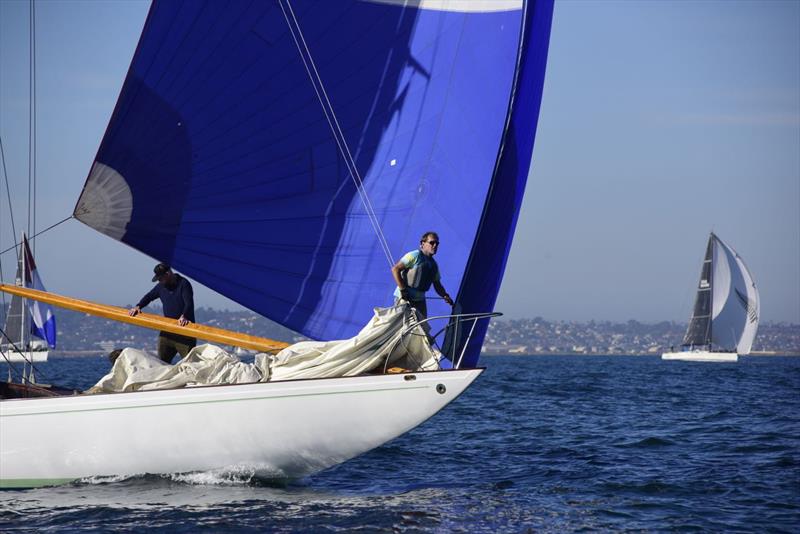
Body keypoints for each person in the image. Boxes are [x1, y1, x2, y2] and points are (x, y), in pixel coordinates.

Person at [129, 263, 196, 363]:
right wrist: (138, 306)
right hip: (167, 333)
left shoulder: (184, 284)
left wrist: (184, 316)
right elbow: (149, 296)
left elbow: (188, 303)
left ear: (168, 274)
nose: (159, 281)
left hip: (185, 333)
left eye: (160, 278)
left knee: (190, 365)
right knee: (161, 363)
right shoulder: (161, 286)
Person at [391, 231, 454, 319]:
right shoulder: (415, 255)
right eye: (432, 242)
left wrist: (445, 296)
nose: (435, 245)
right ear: (423, 243)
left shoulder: (434, 265)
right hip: (405, 297)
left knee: (422, 328)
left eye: (437, 243)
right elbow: (395, 269)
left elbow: (437, 284)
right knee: (401, 324)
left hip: (420, 300)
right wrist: (402, 289)